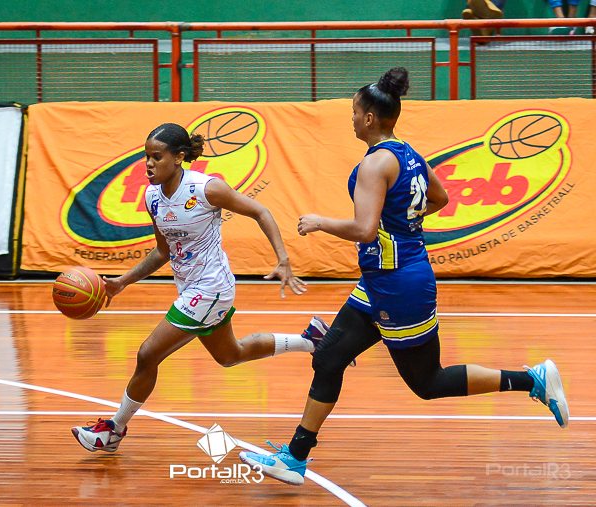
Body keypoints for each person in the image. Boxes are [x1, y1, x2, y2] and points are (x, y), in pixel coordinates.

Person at [239, 67, 569, 486]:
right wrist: (405, 223)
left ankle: (532, 380)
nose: (352, 119)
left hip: (399, 285)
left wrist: (320, 222)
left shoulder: (375, 164)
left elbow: (363, 229)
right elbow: (440, 198)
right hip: (381, 281)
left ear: (369, 118)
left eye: (354, 112)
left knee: (427, 382)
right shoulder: (410, 154)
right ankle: (295, 457)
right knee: (329, 358)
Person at [71, 123, 324, 453]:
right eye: (146, 157)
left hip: (211, 289)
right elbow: (163, 252)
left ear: (178, 157)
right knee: (230, 355)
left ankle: (113, 430)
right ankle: (312, 340)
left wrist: (283, 259)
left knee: (147, 354)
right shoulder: (152, 196)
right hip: (192, 289)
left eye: (156, 157)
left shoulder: (207, 189)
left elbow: (260, 211)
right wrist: (122, 282)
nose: (149, 164)